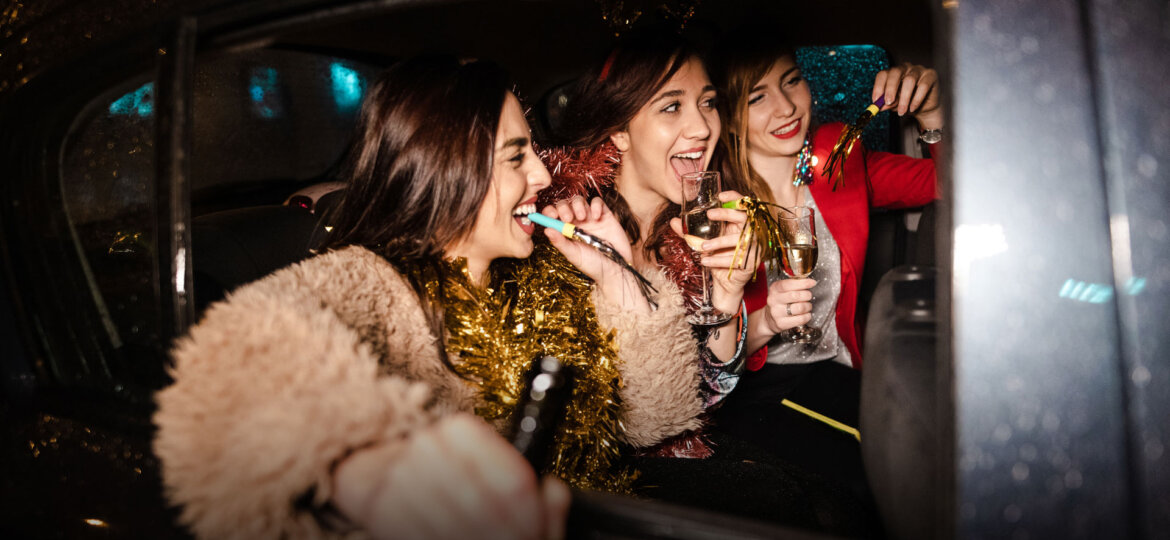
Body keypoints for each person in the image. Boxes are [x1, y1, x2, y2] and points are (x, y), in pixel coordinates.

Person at [154, 56, 706, 539]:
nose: (541, 174)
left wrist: (618, 277)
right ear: (449, 167)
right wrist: (365, 474)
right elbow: (228, 366)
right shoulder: (374, 281)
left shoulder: (546, 272)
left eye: (532, 152)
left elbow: (652, 420)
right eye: (515, 157)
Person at [546, 27, 877, 535]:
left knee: (845, 501)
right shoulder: (570, 228)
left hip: (689, 439)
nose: (702, 127)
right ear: (618, 130)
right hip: (592, 473)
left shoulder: (695, 233)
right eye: (671, 107)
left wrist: (726, 295)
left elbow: (701, 397)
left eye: (708, 103)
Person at [707, 24, 941, 505]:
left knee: (927, 442)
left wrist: (932, 114)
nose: (787, 107)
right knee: (892, 470)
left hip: (841, 370)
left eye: (791, 81)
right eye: (756, 98)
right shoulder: (715, 208)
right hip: (756, 389)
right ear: (729, 119)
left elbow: (944, 181)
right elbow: (703, 360)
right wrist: (767, 321)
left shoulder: (838, 157)